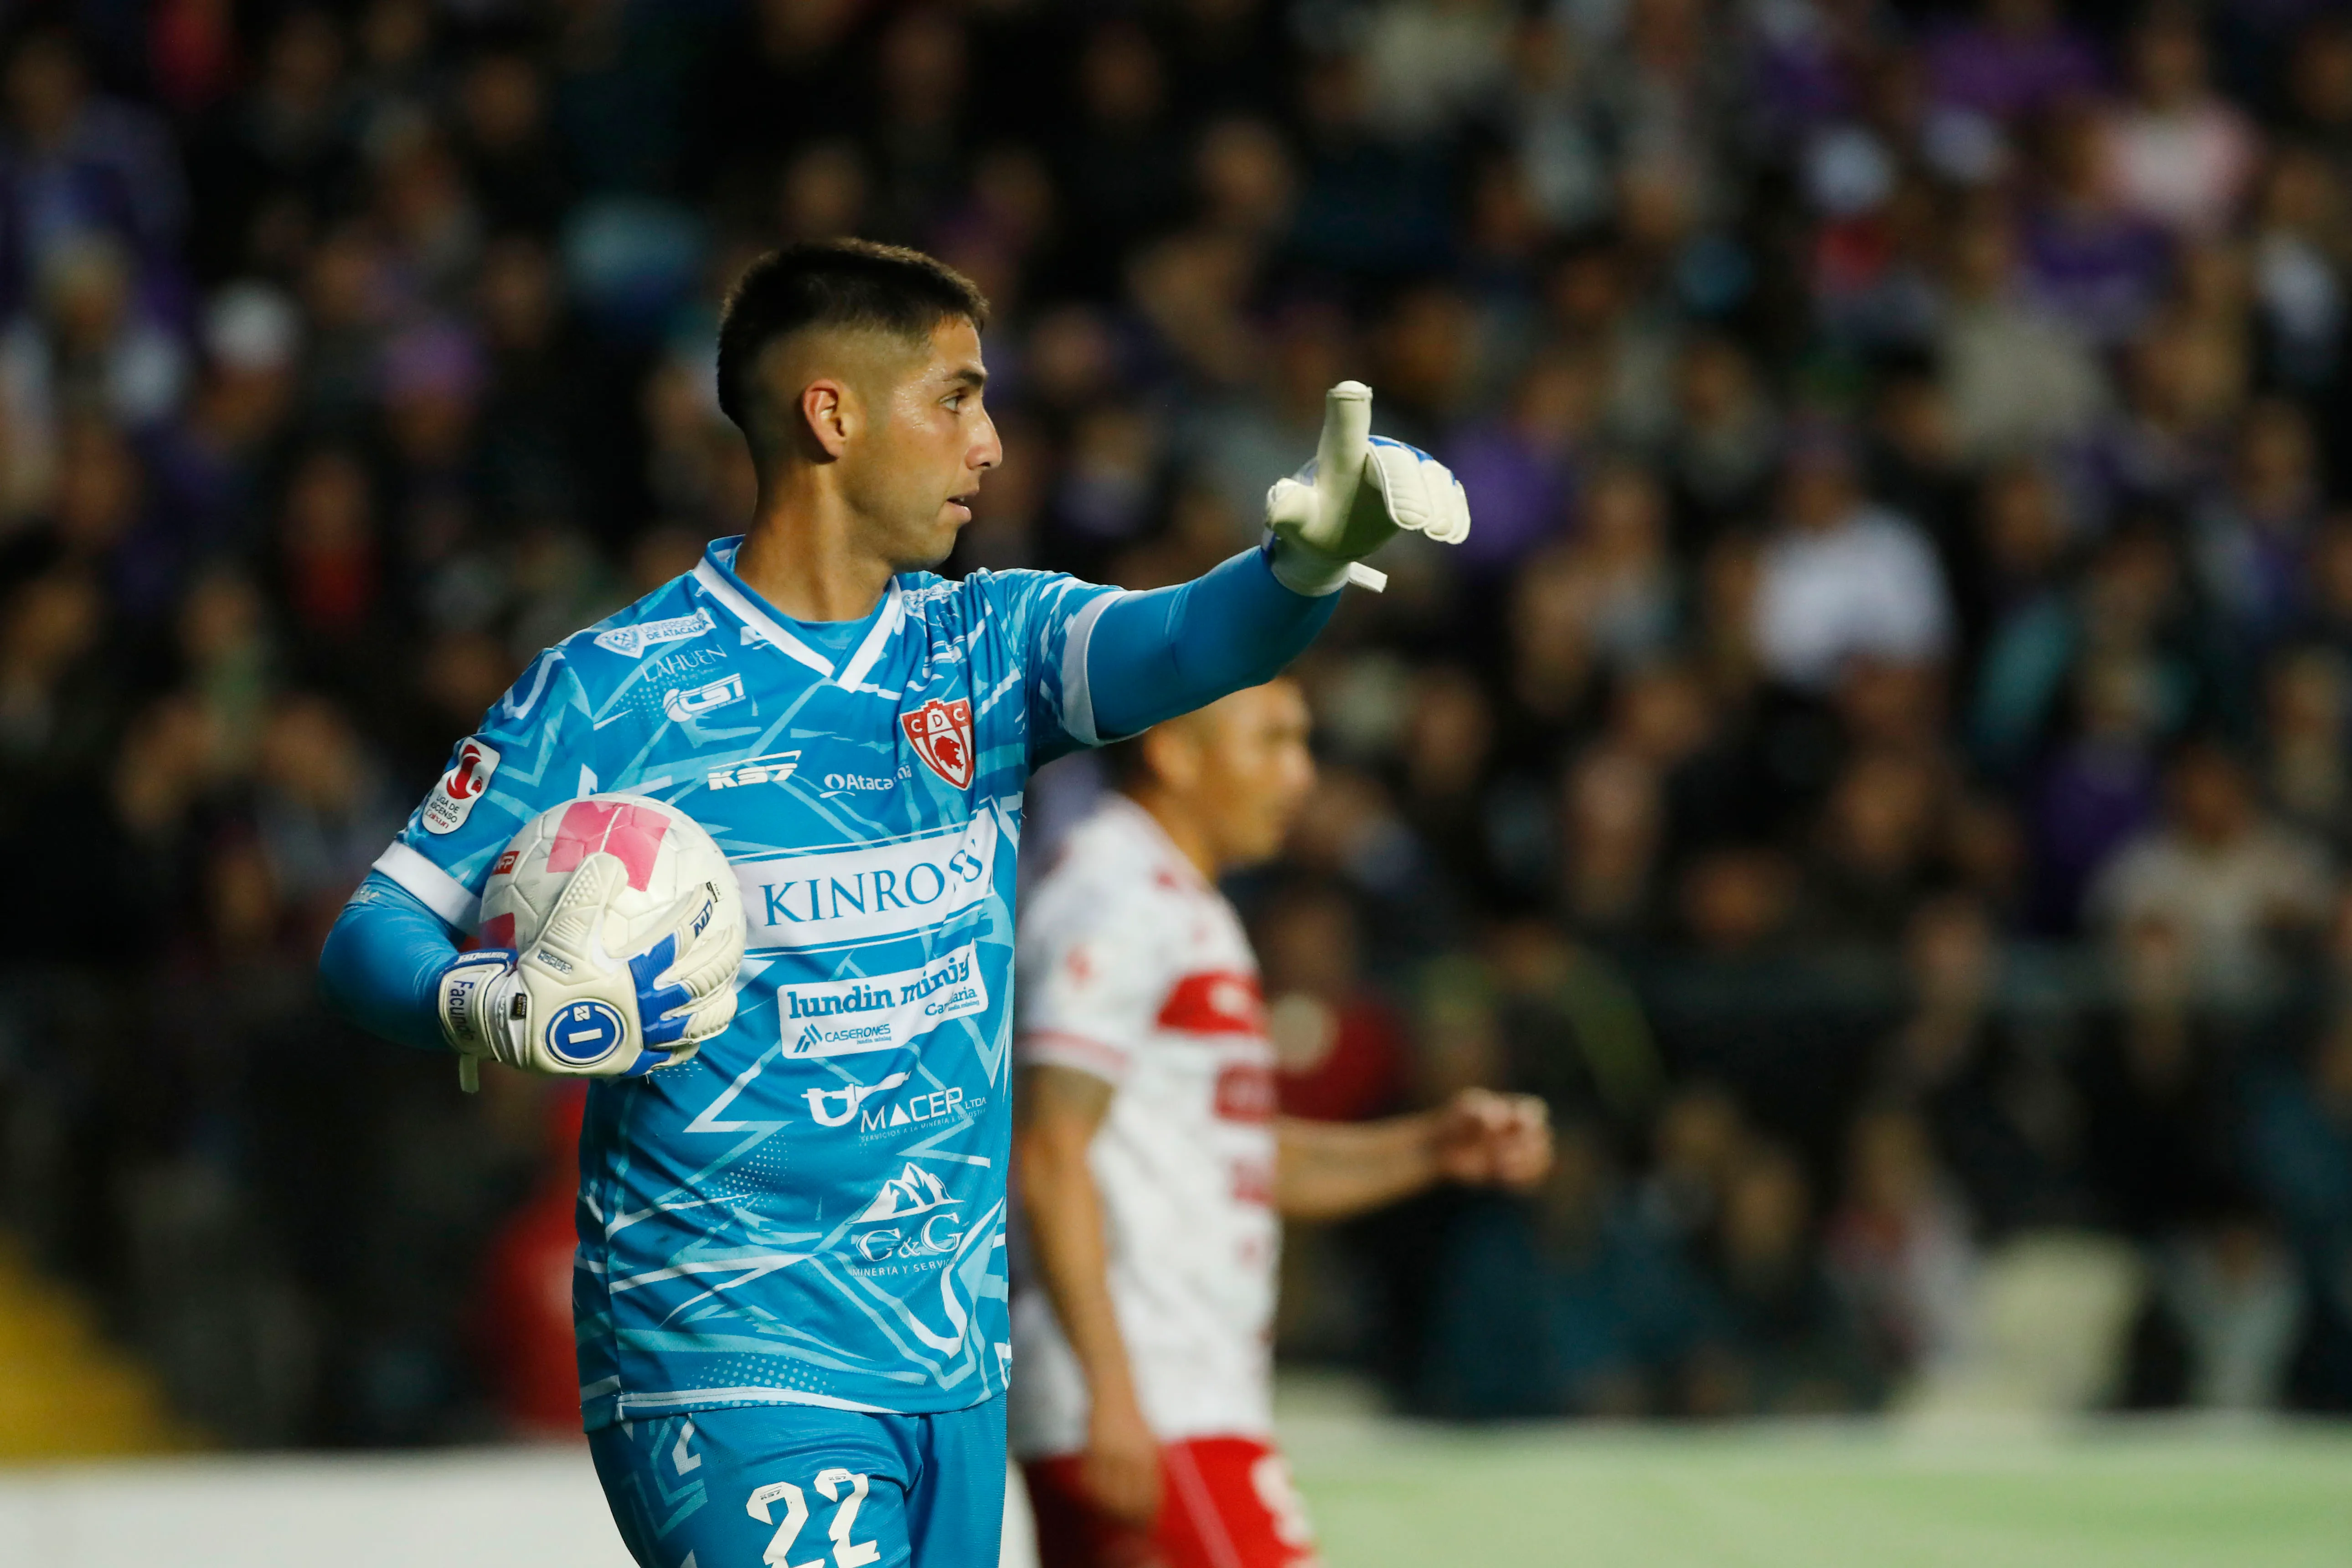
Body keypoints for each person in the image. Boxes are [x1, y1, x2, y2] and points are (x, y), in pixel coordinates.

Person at [315, 239, 1469, 1568]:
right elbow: (374, 933)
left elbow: (1194, 640)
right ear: (832, 413)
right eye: (957, 399)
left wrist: (1301, 573)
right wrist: (487, 1004)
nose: (989, 447)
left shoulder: (986, 647)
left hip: (946, 1354)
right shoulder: (610, 691)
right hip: (730, 1342)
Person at [1011, 679, 1549, 1568]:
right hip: (1151, 1396)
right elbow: (1048, 1145)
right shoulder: (1113, 892)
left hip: (1180, 1393)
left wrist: (1428, 1148)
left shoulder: (1186, 900)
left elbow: (1231, 1161)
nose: (1300, 778)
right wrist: (1111, 1389)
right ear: (1176, 752)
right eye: (1272, 743)